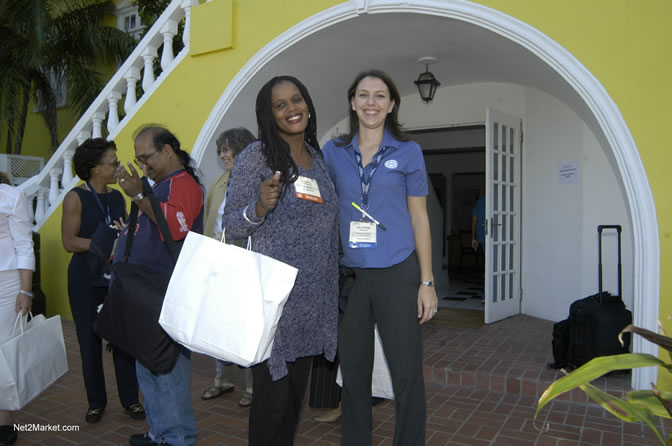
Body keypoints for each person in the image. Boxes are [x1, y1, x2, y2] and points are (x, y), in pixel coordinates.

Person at [322, 69, 438, 446]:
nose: (371, 102)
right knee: (354, 374)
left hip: (398, 273)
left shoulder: (408, 152)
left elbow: (419, 218)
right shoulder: (333, 153)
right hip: (350, 277)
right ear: (353, 103)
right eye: (363, 95)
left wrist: (426, 282)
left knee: (406, 373)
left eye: (379, 96)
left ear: (391, 105)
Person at [222, 75, 339, 446]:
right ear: (268, 114)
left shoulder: (316, 157)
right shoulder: (255, 156)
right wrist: (258, 207)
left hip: (310, 302)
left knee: (291, 406)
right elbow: (231, 226)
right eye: (281, 104)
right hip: (273, 300)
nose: (292, 109)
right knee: (272, 408)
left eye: (297, 99)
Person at [115, 126, 204, 446]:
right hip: (146, 289)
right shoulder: (160, 185)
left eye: (146, 158)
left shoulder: (184, 185)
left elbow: (175, 227)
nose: (143, 166)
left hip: (167, 290)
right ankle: (159, 433)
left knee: (166, 369)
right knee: (148, 366)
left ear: (168, 151)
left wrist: (139, 195)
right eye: (139, 160)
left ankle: (179, 438)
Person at [61, 138, 144, 424]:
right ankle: (96, 402)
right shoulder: (75, 197)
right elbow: (69, 242)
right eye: (113, 162)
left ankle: (131, 400)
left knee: (122, 338)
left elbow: (123, 233)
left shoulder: (117, 197)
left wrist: (121, 239)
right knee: (89, 340)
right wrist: (102, 244)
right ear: (96, 168)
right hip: (85, 277)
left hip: (114, 277)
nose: (118, 167)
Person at [201, 127, 256, 408]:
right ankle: (222, 379)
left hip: (246, 264)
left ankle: (251, 385)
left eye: (227, 149)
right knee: (218, 323)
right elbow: (210, 221)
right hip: (218, 261)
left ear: (244, 149)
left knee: (245, 325)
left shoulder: (260, 181)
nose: (223, 154)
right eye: (220, 150)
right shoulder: (218, 182)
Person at [0, 172, 34, 446]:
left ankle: (4, 419)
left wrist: (25, 290)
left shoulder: (12, 196)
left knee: (3, 350)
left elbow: (24, 244)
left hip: (6, 283)